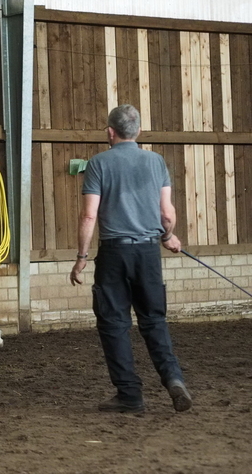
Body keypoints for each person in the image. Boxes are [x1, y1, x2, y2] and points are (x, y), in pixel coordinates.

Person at [69, 104, 192, 413]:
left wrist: (82, 257)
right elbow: (167, 213)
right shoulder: (156, 162)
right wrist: (168, 237)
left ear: (110, 132)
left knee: (113, 323)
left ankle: (130, 395)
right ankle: (174, 379)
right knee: (154, 320)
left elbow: (89, 216)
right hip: (148, 253)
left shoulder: (98, 164)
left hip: (114, 252)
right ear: (137, 131)